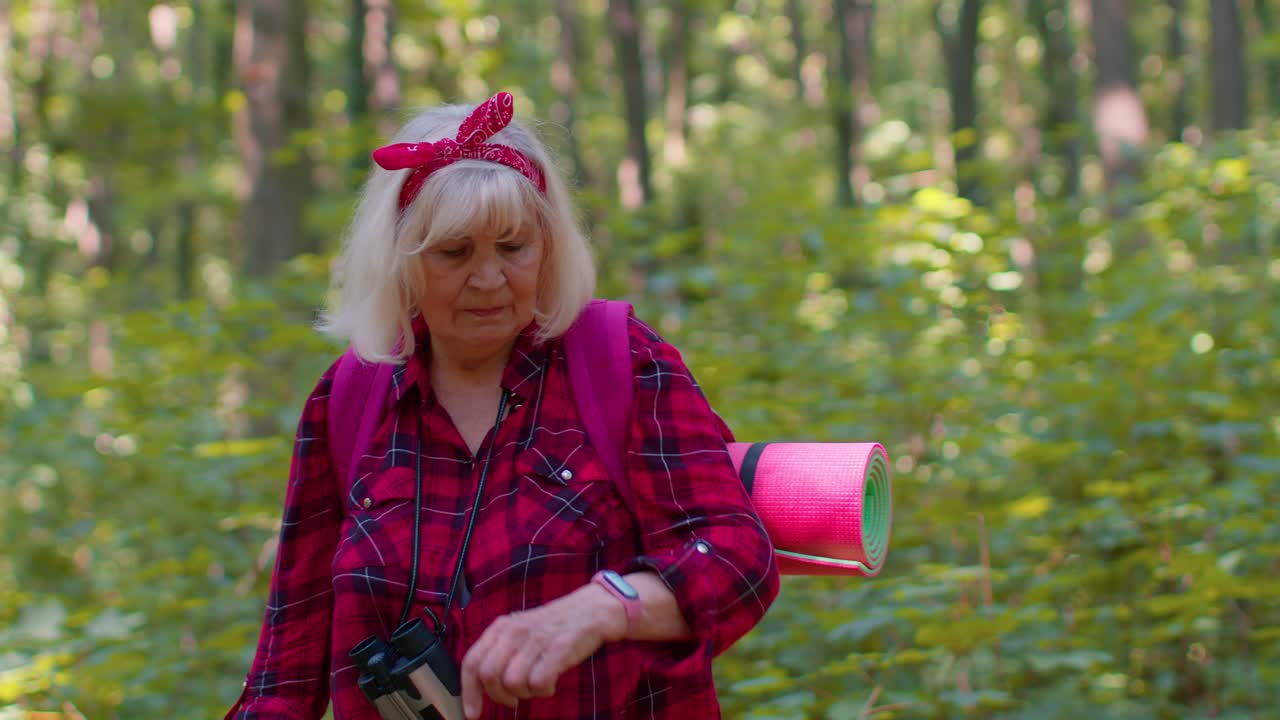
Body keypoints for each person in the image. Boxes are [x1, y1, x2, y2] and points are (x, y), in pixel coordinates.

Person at [224, 91, 780, 720]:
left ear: (547, 247)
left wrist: (599, 609)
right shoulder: (351, 398)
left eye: (513, 248)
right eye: (454, 253)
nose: (488, 279)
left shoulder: (619, 362)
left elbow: (736, 555)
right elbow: (286, 670)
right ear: (400, 261)